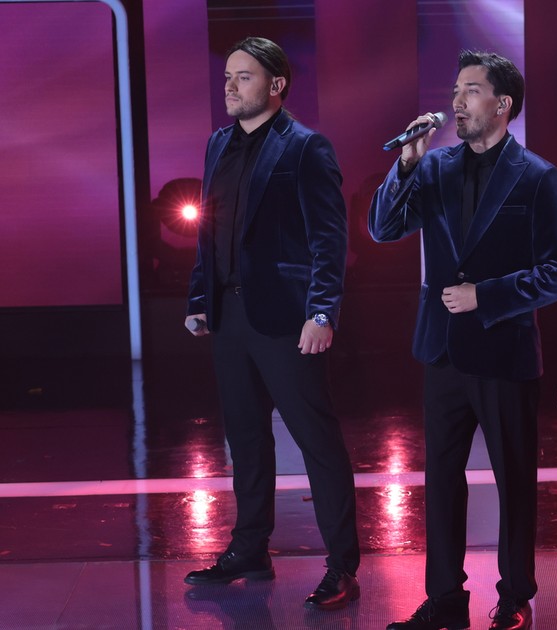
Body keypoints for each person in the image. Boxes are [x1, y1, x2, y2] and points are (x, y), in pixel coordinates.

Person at [370, 50, 557, 630]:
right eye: (456, 90)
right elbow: (383, 228)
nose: (457, 102)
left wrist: (487, 295)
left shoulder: (537, 176)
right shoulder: (435, 167)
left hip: (504, 351)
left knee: (514, 480)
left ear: (502, 104)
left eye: (471, 91)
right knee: (441, 480)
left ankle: (514, 597)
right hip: (441, 349)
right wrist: (406, 164)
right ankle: (444, 600)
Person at [182, 37, 360, 611]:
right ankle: (250, 549)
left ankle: (342, 566)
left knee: (316, 440)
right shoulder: (217, 144)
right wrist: (200, 297)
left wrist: (321, 311)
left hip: (287, 318)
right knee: (246, 438)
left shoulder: (306, 147)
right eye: (227, 77)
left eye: (244, 77)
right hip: (230, 315)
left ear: (276, 84)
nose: (230, 86)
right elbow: (209, 230)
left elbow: (329, 240)